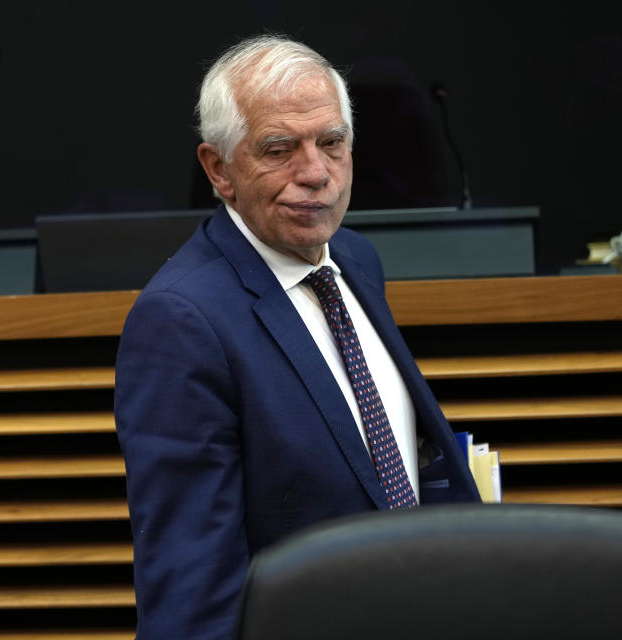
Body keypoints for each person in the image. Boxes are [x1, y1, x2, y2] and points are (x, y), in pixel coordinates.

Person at [114, 35, 480, 640]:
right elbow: (191, 583)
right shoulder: (180, 321)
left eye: (332, 144)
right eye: (279, 149)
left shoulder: (356, 261)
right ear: (218, 169)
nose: (315, 173)